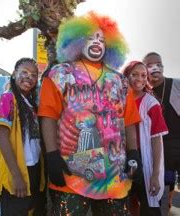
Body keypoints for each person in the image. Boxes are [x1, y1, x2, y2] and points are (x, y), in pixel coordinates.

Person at [38, 11, 142, 215]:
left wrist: (133, 153)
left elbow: (129, 121)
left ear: (111, 45)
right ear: (76, 41)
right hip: (71, 174)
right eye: (90, 37)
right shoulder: (60, 74)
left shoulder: (119, 81)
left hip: (113, 177)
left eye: (102, 39)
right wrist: (51, 156)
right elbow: (47, 116)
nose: (96, 42)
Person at [0, 58, 46, 216]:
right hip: (17, 171)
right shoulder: (7, 99)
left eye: (33, 75)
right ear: (14, 73)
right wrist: (16, 176)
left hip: (33, 169)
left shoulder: (31, 105)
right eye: (24, 72)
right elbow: (2, 138)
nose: (28, 77)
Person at [123, 61, 168, 216]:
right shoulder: (118, 99)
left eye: (143, 75)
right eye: (134, 74)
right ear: (126, 76)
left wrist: (155, 174)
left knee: (149, 208)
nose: (139, 79)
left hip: (145, 163)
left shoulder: (151, 104)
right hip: (121, 161)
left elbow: (157, 141)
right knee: (124, 206)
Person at [143, 52, 180, 216]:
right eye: (150, 65)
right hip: (159, 152)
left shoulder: (176, 85)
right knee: (163, 199)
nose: (155, 67)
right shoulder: (141, 91)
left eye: (158, 63)